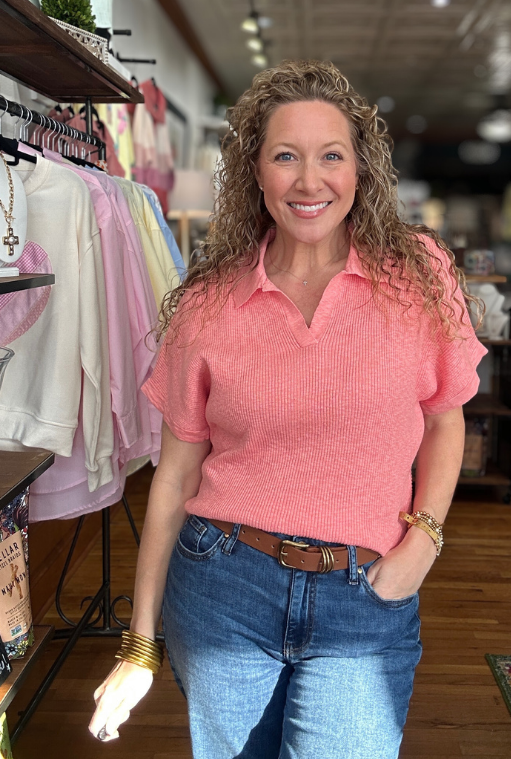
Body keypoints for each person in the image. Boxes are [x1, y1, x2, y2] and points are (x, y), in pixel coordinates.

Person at [89, 59, 486, 758]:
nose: (310, 181)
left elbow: (445, 416)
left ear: (360, 170)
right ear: (256, 174)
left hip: (367, 592)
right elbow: (175, 480)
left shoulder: (419, 274)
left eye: (331, 156)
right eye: (285, 157)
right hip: (223, 588)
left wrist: (424, 538)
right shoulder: (210, 303)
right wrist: (140, 643)